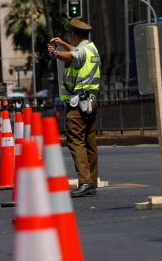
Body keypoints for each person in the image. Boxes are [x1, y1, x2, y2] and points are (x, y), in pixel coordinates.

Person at [48, 18, 100, 198]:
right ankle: (91, 181)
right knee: (90, 142)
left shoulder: (80, 52)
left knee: (76, 141)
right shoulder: (91, 48)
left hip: (78, 104)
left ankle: (85, 182)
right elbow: (76, 52)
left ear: (74, 34)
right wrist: (63, 44)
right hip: (91, 102)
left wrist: (55, 53)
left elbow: (73, 56)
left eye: (70, 35)